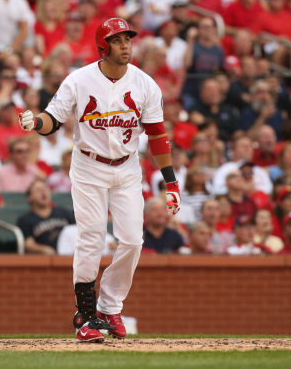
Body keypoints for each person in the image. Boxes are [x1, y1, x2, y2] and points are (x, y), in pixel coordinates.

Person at [17, 18, 181, 342]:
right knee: (91, 238)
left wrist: (171, 182)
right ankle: (85, 316)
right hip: (89, 166)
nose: (125, 46)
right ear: (102, 46)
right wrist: (34, 121)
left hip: (127, 167)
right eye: (117, 40)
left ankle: (110, 306)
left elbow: (158, 136)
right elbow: (54, 119)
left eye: (128, 40)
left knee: (133, 240)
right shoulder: (79, 80)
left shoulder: (145, 84)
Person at [17, 179, 75, 254]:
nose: (43, 192)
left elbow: (76, 232)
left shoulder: (64, 212)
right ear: (30, 198)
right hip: (45, 259)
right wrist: (43, 249)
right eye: (38, 190)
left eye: (45, 188)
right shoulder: (25, 219)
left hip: (70, 254)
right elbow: (29, 244)